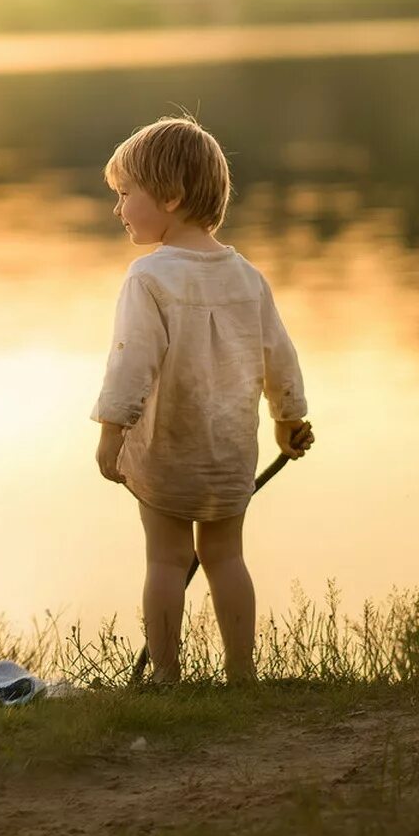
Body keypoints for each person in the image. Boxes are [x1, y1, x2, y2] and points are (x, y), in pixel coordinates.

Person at [91, 114, 313, 684]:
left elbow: (130, 362)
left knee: (166, 560)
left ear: (169, 196)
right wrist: (289, 418)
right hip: (228, 450)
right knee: (226, 557)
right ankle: (242, 674)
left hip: (167, 448)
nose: (118, 209)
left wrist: (111, 432)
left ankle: (167, 678)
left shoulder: (149, 278)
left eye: (124, 194)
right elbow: (279, 356)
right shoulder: (247, 277)